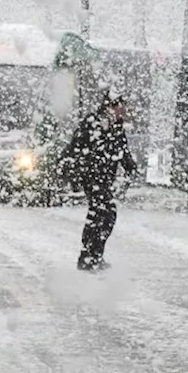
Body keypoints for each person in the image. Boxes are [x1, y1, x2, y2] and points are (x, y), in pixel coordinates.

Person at [66, 91, 139, 271]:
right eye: (121, 108)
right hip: (92, 176)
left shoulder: (116, 126)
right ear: (111, 107)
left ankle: (93, 255)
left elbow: (122, 149)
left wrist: (130, 167)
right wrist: (77, 172)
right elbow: (75, 148)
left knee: (104, 215)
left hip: (104, 178)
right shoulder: (93, 123)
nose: (123, 112)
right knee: (102, 213)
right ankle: (88, 256)